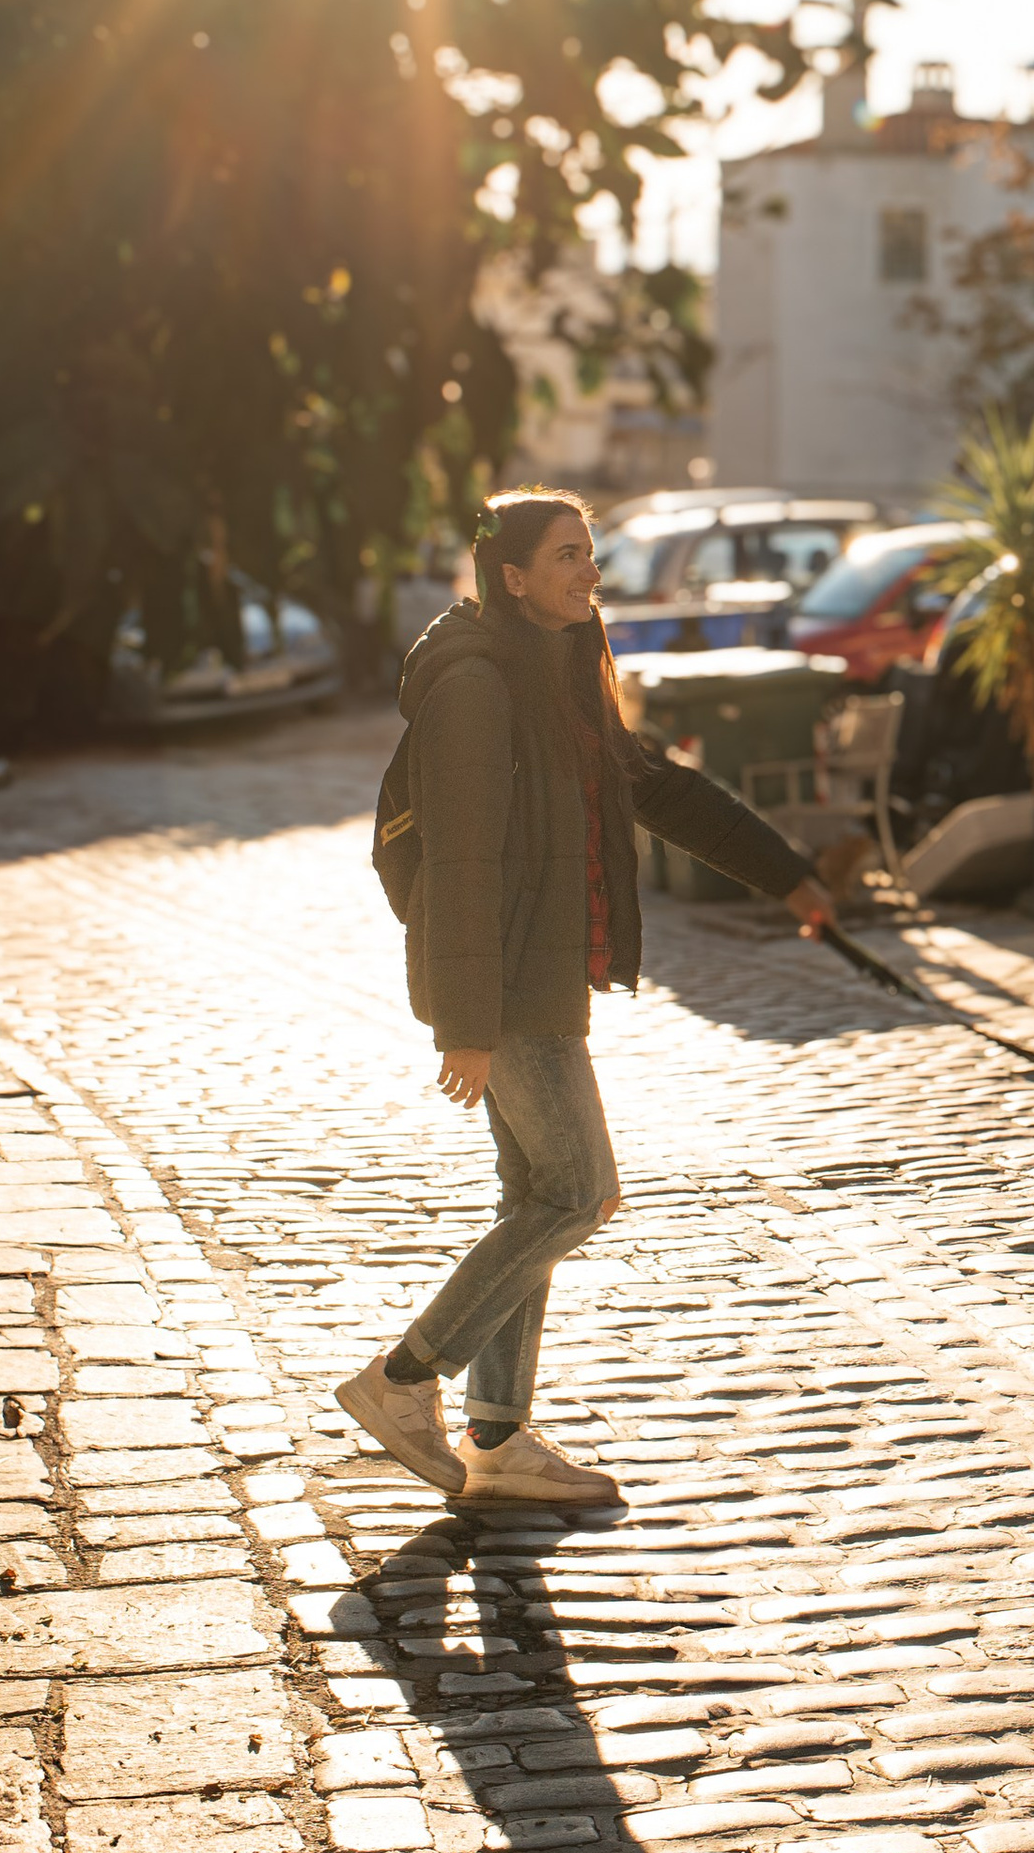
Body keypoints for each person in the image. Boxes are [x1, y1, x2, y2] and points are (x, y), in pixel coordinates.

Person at [336, 489, 837, 1509]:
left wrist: (786, 872)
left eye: (591, 553)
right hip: (508, 985)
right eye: (567, 556)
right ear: (511, 575)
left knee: (538, 1200)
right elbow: (466, 860)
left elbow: (653, 783)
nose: (590, 574)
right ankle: (403, 1378)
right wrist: (466, 1026)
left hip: (544, 970)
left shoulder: (553, 675)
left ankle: (498, 1437)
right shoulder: (476, 686)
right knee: (579, 1190)